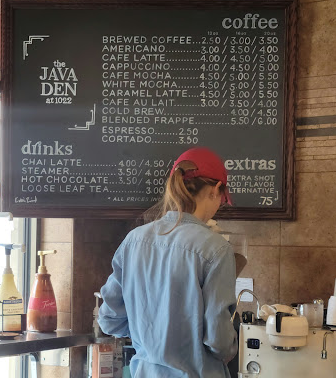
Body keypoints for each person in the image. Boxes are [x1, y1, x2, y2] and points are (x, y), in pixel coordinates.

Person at [98, 147, 238, 378]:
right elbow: (218, 341)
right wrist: (231, 345)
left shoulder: (134, 240)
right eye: (222, 198)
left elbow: (109, 320)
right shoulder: (216, 248)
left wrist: (151, 336)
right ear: (215, 190)